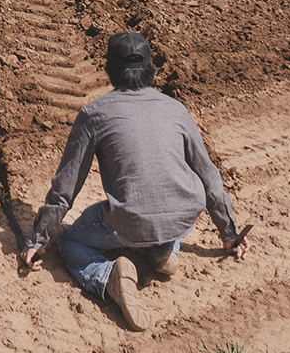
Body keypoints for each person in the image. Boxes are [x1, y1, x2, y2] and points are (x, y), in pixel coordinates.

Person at [20, 31, 248, 330]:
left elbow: (66, 187)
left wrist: (38, 239)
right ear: (150, 68)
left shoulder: (94, 114)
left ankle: (107, 277)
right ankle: (166, 249)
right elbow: (209, 177)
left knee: (69, 240)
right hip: (183, 218)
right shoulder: (176, 108)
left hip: (128, 224)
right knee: (167, 190)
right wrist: (230, 233)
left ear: (110, 70)